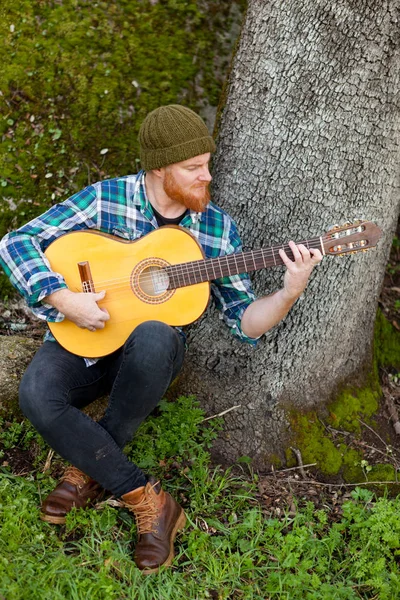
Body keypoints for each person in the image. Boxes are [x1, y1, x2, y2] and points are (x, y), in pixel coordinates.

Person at [0, 104, 322, 574]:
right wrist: (64, 299)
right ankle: (147, 498)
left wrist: (290, 290)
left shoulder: (215, 230)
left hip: (150, 359)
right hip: (84, 341)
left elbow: (246, 322)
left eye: (207, 164)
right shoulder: (105, 198)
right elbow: (15, 243)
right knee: (37, 395)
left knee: (154, 334)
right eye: (193, 168)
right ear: (157, 169)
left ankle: (88, 471)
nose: (206, 177)